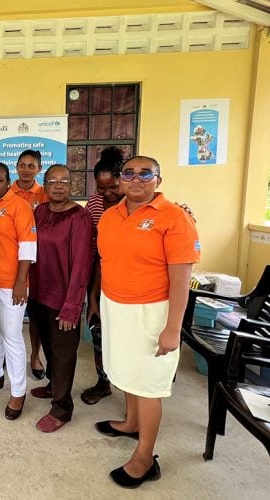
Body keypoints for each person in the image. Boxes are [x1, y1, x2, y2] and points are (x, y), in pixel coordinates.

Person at [96, 156, 200, 488]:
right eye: (129, 173)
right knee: (125, 372)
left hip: (152, 312)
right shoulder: (111, 216)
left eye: (145, 174)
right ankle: (131, 423)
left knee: (148, 384)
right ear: (120, 179)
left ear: (159, 179)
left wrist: (173, 328)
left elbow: (182, 280)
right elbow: (107, 260)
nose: (136, 179)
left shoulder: (175, 218)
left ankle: (145, 458)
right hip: (115, 305)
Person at [28, 164, 93, 433]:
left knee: (64, 353)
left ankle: (62, 407)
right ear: (44, 184)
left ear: (71, 185)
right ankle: (54, 386)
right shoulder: (40, 211)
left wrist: (72, 306)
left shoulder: (80, 217)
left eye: (64, 182)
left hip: (64, 297)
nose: (58, 186)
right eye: (52, 181)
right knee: (48, 345)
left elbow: (82, 264)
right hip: (39, 292)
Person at [0, 162, 36, 420]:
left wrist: (21, 281)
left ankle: (18, 391)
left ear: (7, 181)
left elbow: (28, 246)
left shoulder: (19, 206)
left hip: (12, 284)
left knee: (12, 337)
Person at [81, 146, 124, 405]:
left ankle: (130, 383)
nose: (107, 194)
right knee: (98, 329)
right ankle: (103, 381)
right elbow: (92, 247)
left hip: (128, 277)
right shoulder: (95, 204)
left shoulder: (135, 203)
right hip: (99, 273)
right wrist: (93, 297)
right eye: (101, 188)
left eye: (113, 188)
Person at [10, 149, 48, 380]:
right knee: (7, 316)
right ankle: (6, 355)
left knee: (36, 314)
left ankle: (35, 356)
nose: (26, 170)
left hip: (38, 261)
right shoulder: (7, 192)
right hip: (9, 261)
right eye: (22, 165)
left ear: (39, 169)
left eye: (31, 166)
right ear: (16, 167)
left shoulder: (44, 194)